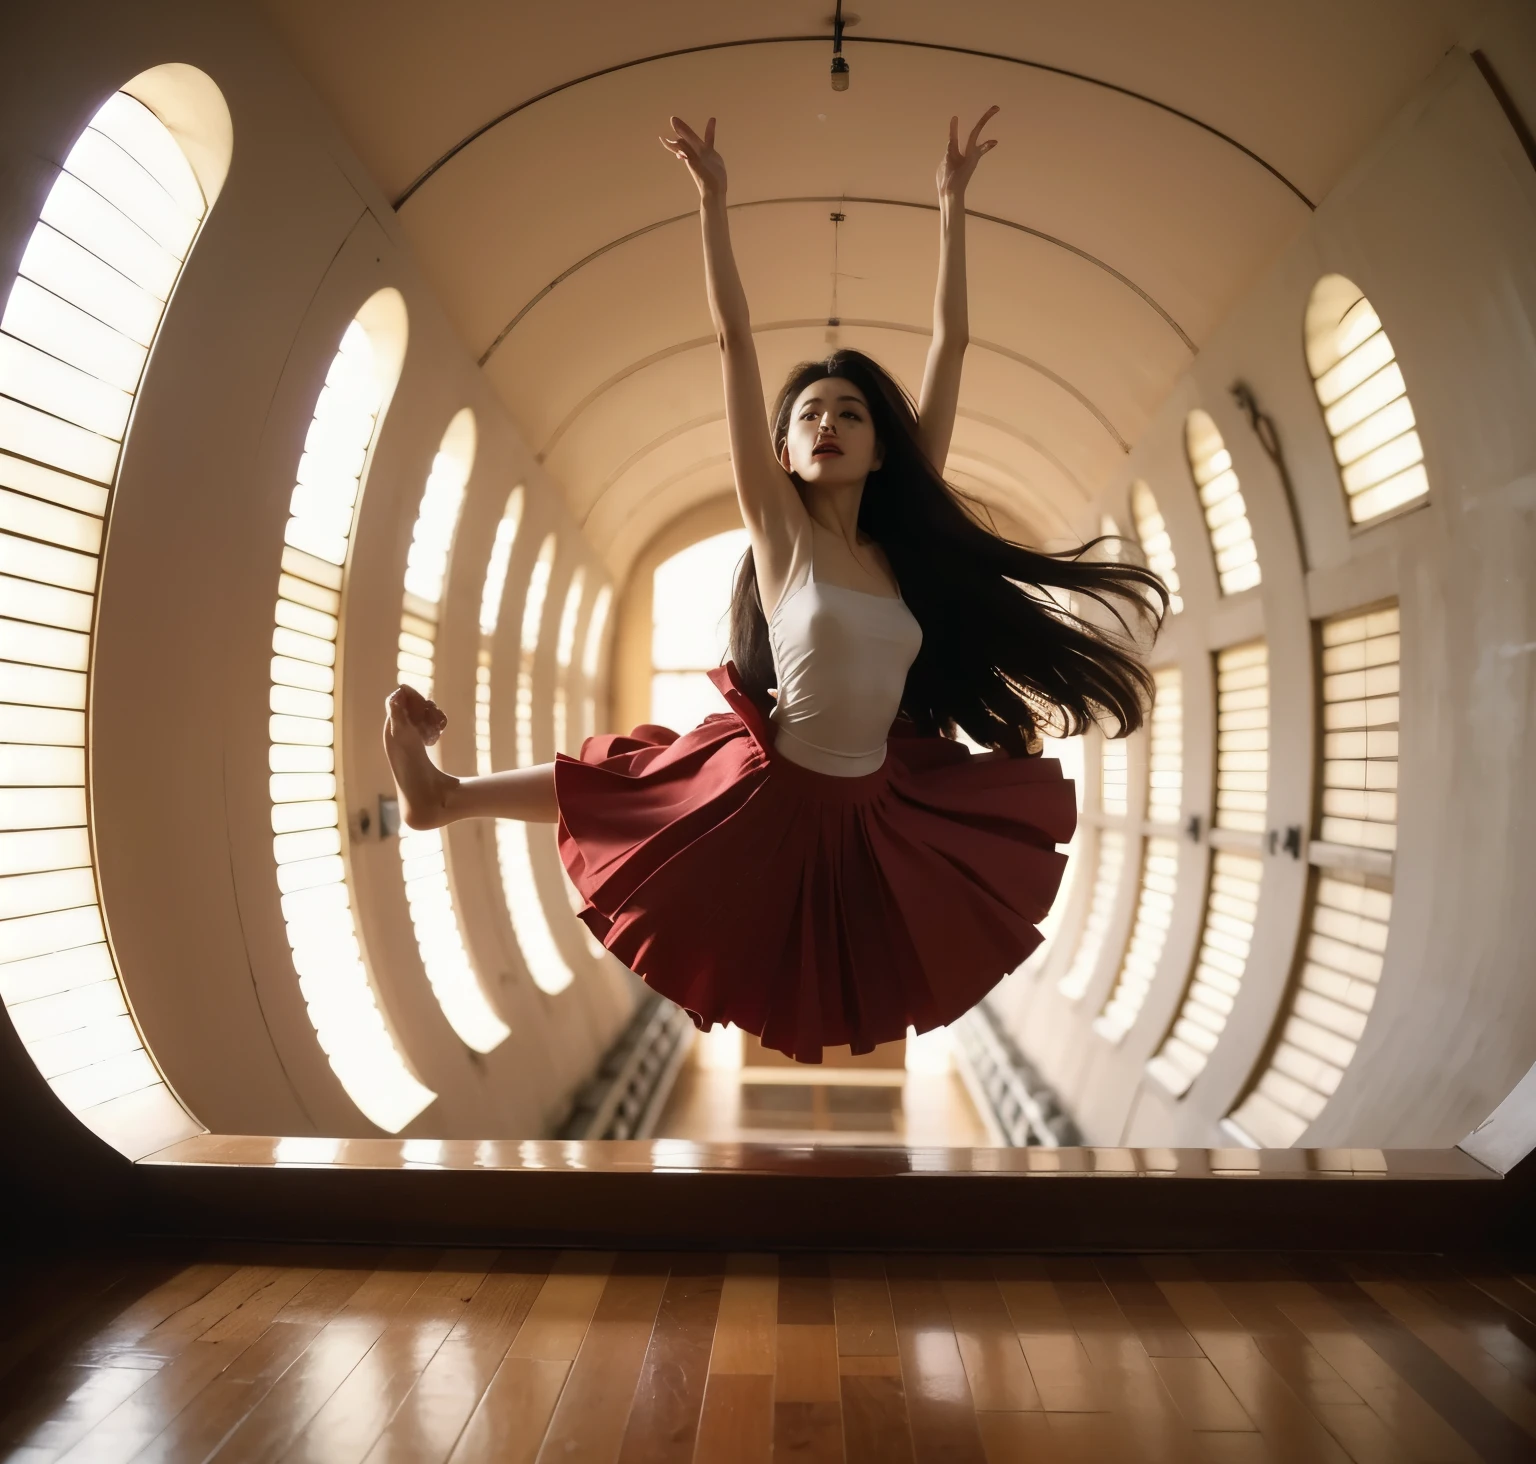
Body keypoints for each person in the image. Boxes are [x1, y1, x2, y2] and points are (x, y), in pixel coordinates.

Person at [383, 108, 1166, 1062]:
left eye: (850, 413)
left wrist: (953, 207)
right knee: (629, 787)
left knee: (855, 963)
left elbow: (952, 348)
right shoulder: (781, 537)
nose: (828, 423)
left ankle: (450, 798)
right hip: (774, 784)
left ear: (885, 448)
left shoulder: (902, 552)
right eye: (808, 416)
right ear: (785, 452)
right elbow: (733, 344)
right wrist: (713, 203)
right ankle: (443, 796)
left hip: (876, 800)